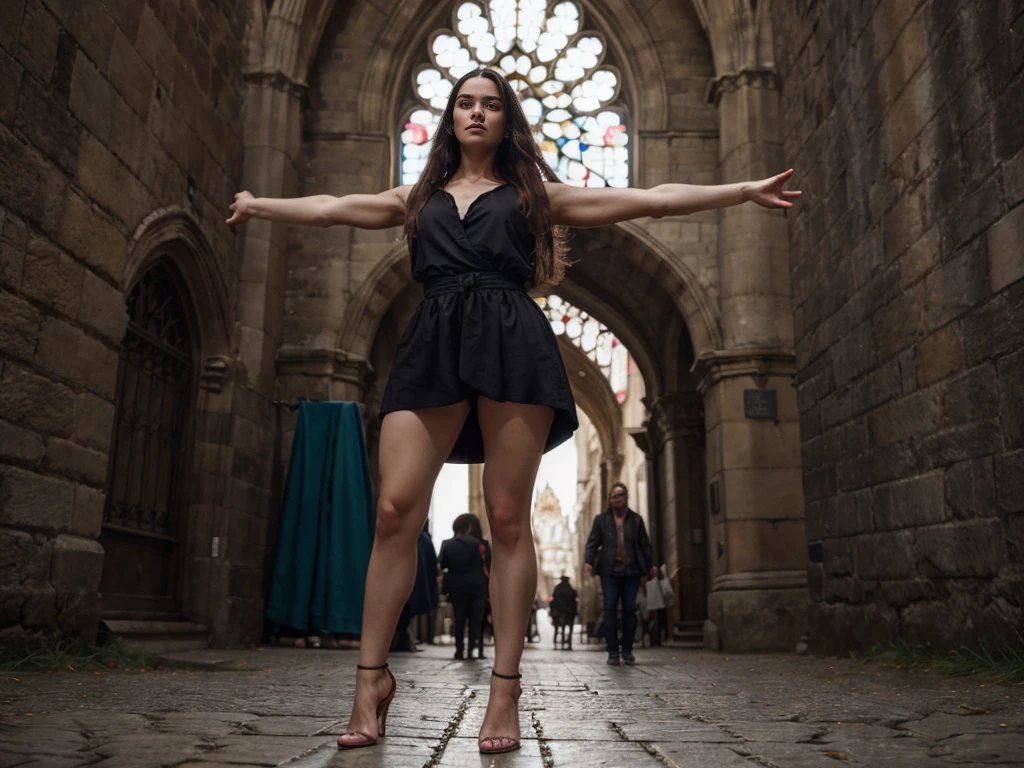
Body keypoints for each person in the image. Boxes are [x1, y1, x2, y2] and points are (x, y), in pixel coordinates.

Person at [226, 67, 799, 753]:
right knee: (393, 511)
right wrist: (261, 205)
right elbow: (332, 207)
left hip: (512, 344)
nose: (476, 114)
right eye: (465, 103)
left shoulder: (536, 195)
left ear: (506, 119)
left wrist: (740, 190)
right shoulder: (420, 195)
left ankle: (505, 691)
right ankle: (369, 682)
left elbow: (647, 201)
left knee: (505, 517)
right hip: (432, 341)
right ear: (450, 116)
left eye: (490, 105)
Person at [583, 483, 655, 665]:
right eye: (613, 496)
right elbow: (592, 542)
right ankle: (613, 652)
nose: (616, 499)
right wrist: (588, 562)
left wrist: (649, 567)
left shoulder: (636, 520)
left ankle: (628, 650)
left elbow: (644, 545)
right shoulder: (601, 520)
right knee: (609, 610)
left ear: (626, 497)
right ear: (610, 499)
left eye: (619, 495)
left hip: (631, 571)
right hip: (609, 571)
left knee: (630, 609)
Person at [438, 513, 491, 660]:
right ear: (470, 527)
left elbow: (442, 564)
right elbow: (488, 566)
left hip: (457, 586)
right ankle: (472, 650)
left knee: (459, 619)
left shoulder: (447, 544)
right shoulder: (481, 544)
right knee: (476, 620)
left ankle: (459, 650)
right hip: (478, 586)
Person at [550, 575, 577, 650]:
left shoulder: (557, 588)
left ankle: (555, 642)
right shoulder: (571, 589)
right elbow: (574, 600)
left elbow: (554, 599)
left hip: (559, 612)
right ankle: (569, 643)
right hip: (569, 612)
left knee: (557, 628)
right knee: (569, 628)